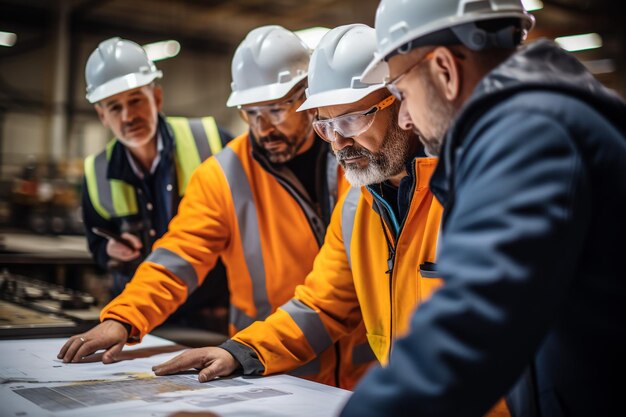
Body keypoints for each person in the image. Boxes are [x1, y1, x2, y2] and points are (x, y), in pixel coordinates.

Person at [152, 24, 503, 411]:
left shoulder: (470, 193)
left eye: (351, 120)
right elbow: (322, 305)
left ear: (401, 104)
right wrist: (241, 351)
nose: (338, 142)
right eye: (325, 125)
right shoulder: (357, 207)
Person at [340, 1, 626, 416]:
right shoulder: (546, 118)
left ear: (445, 69)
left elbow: (472, 323)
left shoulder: (529, 134)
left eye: (401, 92)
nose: (403, 117)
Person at [58, 25, 370, 390]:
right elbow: (178, 258)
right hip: (266, 369)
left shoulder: (356, 157)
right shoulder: (223, 175)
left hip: (364, 370)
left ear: (306, 97)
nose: (263, 127)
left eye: (276, 109)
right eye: (250, 113)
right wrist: (125, 318)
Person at [80, 37, 232, 331]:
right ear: (102, 115)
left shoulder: (211, 140)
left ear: (157, 97)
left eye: (136, 100)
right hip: (142, 319)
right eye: (114, 107)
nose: (128, 116)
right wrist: (109, 251)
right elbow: (96, 244)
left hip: (213, 315)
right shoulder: (95, 172)